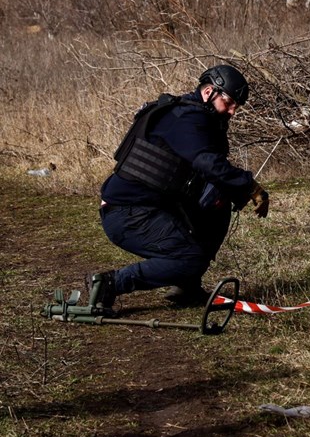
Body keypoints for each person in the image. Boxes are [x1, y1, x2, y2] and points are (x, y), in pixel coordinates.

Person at [90, 64, 270, 315]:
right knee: (191, 259)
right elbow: (208, 163)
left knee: (218, 200)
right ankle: (110, 284)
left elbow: (210, 175)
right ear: (209, 92)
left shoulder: (196, 116)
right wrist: (250, 186)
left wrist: (239, 192)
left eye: (236, 106)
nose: (232, 112)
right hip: (126, 214)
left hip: (154, 207)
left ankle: (187, 286)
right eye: (229, 103)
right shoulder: (186, 119)